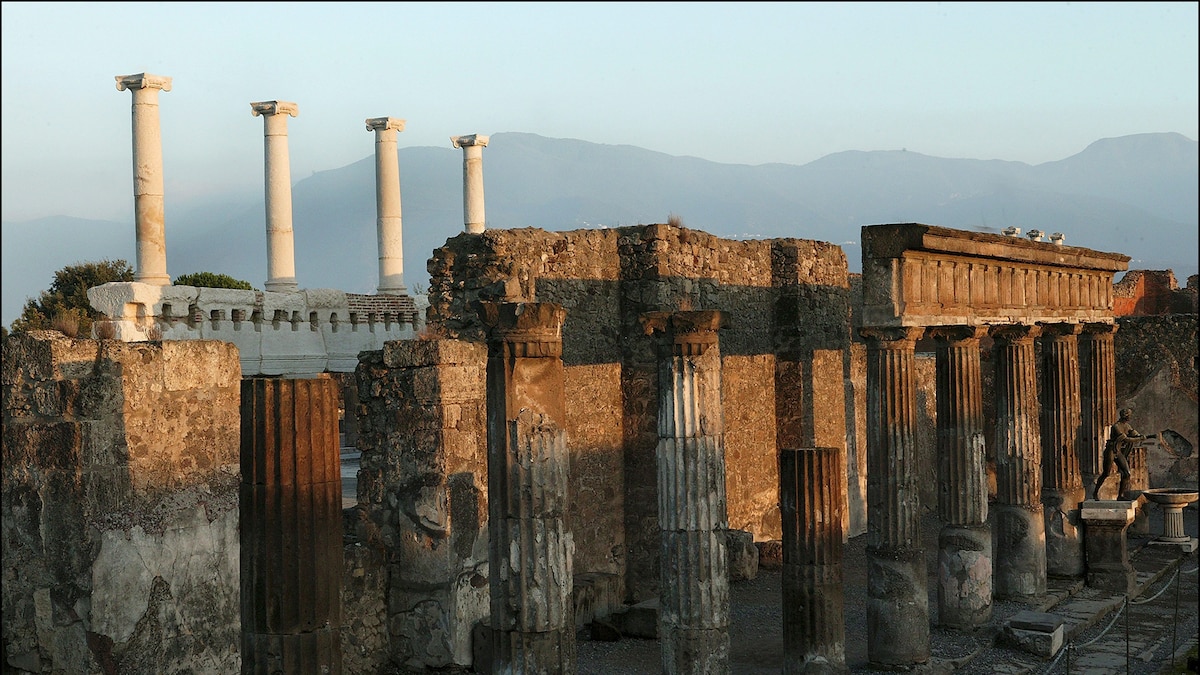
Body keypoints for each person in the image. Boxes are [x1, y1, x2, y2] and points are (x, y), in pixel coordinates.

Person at [1091, 408, 1143, 500]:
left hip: (1118, 452)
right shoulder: (1116, 426)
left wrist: (1140, 436)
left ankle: (1121, 496)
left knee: (1127, 473)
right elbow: (1126, 439)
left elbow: (1134, 433)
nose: (1130, 417)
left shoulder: (1127, 426)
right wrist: (1139, 439)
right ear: (1125, 416)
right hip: (1110, 451)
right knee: (1106, 473)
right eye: (1128, 415)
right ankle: (1095, 493)